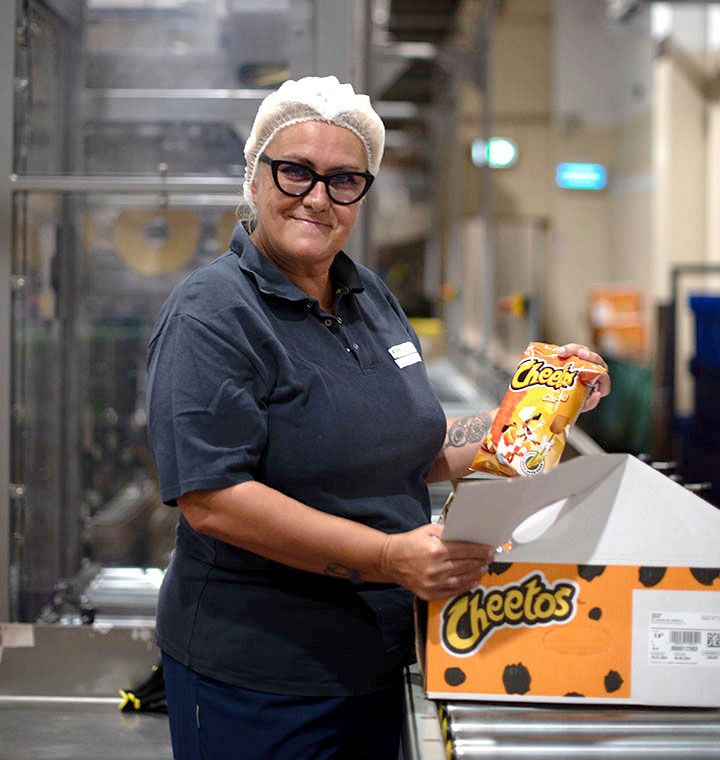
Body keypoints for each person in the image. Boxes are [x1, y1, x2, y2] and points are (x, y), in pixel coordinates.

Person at [146, 76, 610, 760]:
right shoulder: (213, 315)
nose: (316, 197)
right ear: (255, 175)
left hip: (376, 661)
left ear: (363, 194)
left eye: (343, 180)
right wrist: (391, 556)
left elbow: (408, 450)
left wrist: (542, 401)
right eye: (295, 171)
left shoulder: (369, 298)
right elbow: (213, 500)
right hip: (260, 678)